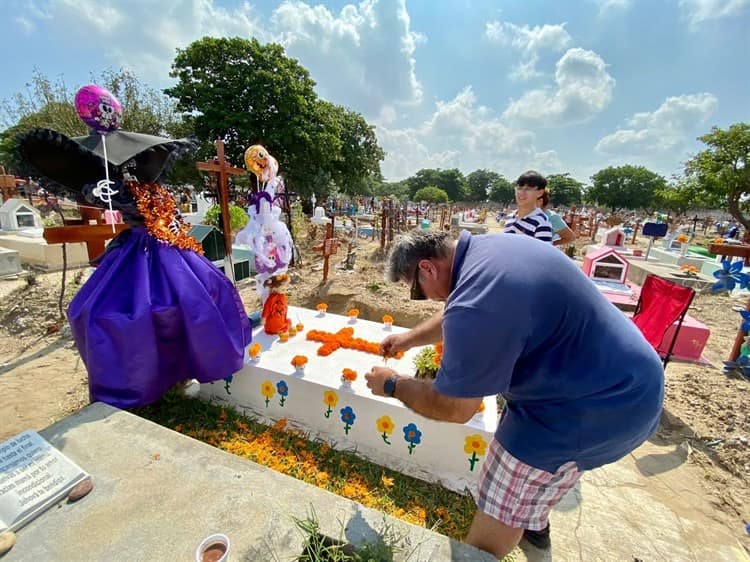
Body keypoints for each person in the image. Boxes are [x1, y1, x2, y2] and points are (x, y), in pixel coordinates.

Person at [364, 230, 663, 559]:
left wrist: (393, 385)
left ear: (427, 268)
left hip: (588, 408)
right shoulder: (488, 251)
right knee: (534, 485)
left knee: (503, 494)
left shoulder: (477, 303)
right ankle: (535, 537)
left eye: (415, 290)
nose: (423, 299)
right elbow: (456, 309)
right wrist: (409, 339)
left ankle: (488, 550)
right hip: (631, 384)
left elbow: (453, 407)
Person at [503, 170, 553, 242]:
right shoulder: (510, 217)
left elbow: (543, 252)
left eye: (528, 189)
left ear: (540, 193)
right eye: (519, 188)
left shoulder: (541, 222)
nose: (522, 192)